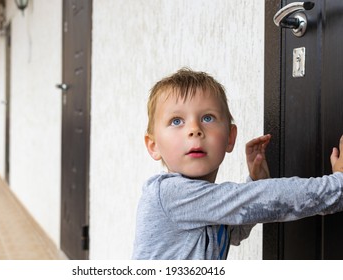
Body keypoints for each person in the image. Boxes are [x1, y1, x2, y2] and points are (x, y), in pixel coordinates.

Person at [132, 68, 343, 260]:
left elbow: (233, 231)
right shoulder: (170, 193)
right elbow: (265, 200)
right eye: (176, 121)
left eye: (207, 118)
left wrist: (256, 182)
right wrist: (338, 186)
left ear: (230, 138)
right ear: (153, 146)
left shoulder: (201, 203)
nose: (194, 129)